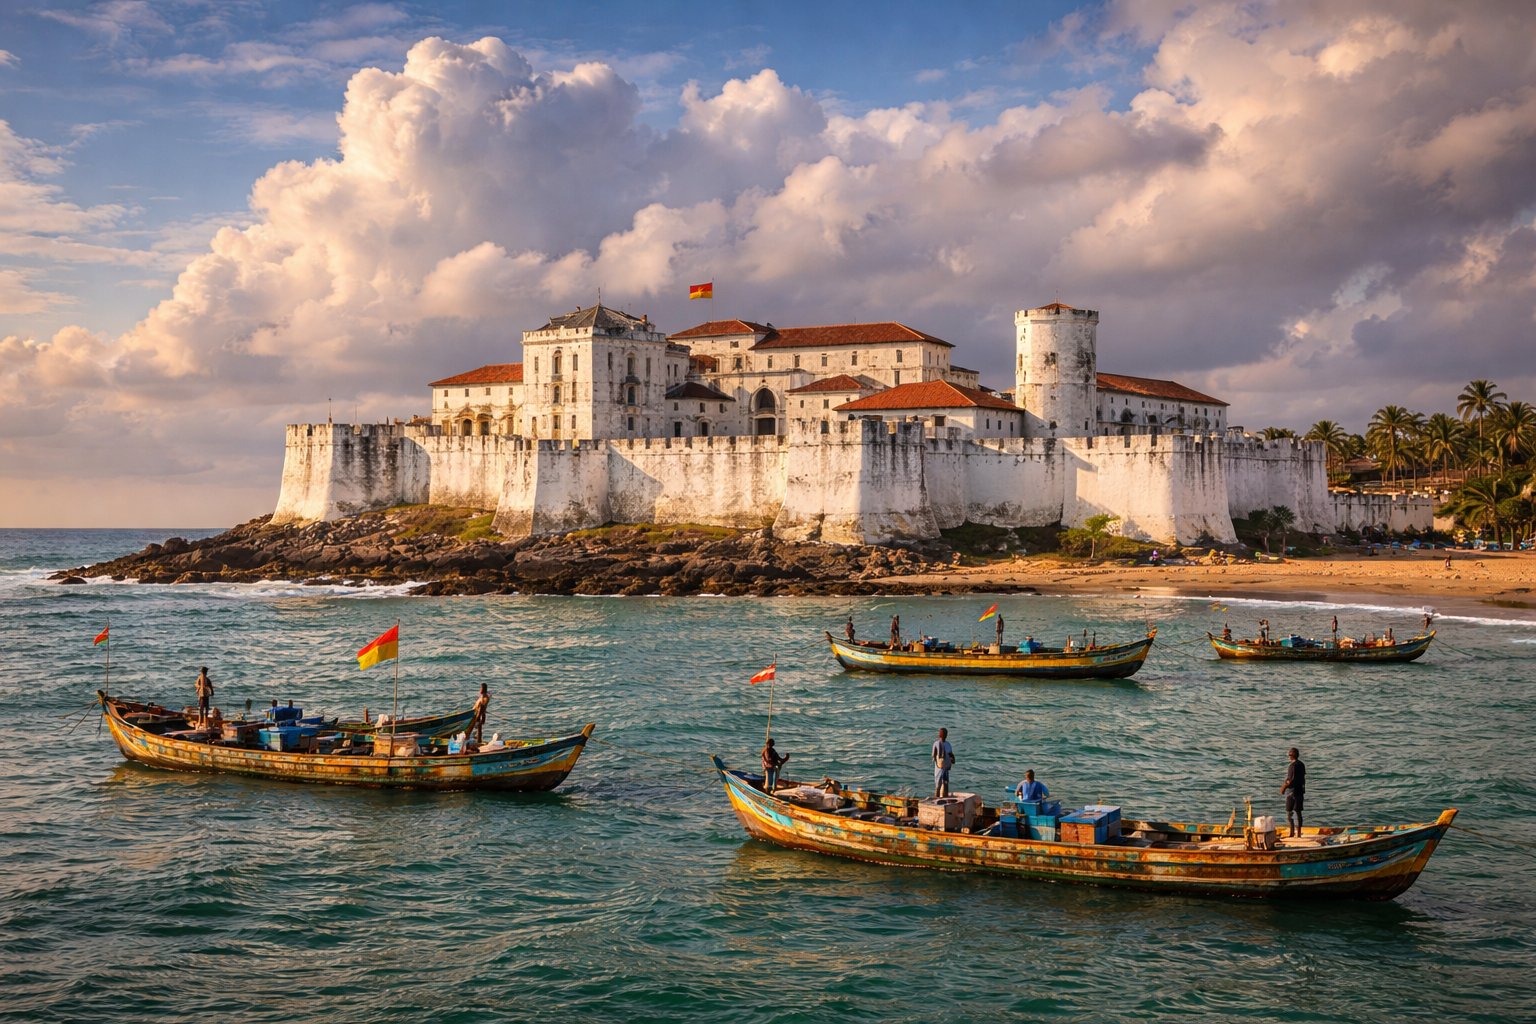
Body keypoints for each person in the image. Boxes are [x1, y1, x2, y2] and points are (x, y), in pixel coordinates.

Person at [1280, 747, 1306, 837]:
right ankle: (1298, 833)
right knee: (1298, 812)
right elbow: (1303, 778)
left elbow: (1290, 780)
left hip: (1292, 792)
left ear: (1291, 756)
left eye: (1289, 755)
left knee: (1289, 812)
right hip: (1300, 791)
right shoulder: (1302, 764)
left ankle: (1292, 833)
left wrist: (1283, 788)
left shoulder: (1292, 766)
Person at [932, 728, 955, 798]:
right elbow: (934, 756)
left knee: (945, 784)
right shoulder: (936, 744)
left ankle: (945, 798)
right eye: (941, 733)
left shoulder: (948, 744)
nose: (943, 734)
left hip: (946, 768)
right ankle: (936, 799)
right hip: (939, 768)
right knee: (938, 785)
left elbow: (951, 754)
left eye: (944, 733)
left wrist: (953, 760)